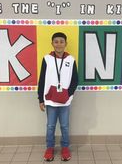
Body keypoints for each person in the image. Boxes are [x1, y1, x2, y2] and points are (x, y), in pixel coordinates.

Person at [37, 32, 78, 161]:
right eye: (56, 41)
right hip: (50, 100)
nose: (59, 44)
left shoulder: (71, 60)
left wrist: (68, 94)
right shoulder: (47, 59)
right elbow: (42, 79)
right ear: (52, 44)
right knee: (50, 126)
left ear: (65, 44)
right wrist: (40, 98)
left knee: (65, 126)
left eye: (61, 41)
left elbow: (75, 80)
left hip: (65, 100)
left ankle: (65, 148)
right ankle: (50, 148)